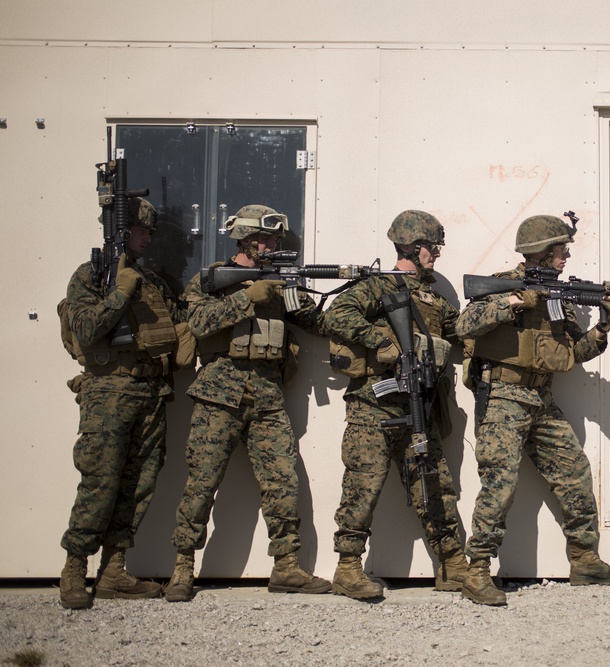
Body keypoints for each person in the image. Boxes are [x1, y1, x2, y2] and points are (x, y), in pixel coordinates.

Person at [456, 213, 610, 606]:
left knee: (574, 472)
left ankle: (585, 560)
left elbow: (574, 353)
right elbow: (464, 325)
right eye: (560, 250)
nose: (567, 256)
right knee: (500, 483)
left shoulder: (559, 298)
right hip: (502, 398)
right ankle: (477, 570)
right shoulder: (503, 284)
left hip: (541, 401)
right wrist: (516, 301)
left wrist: (603, 327)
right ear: (541, 251)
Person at [164, 205, 331, 601]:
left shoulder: (280, 280)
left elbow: (313, 322)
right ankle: (182, 567)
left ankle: (287, 567)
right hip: (219, 394)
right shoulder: (211, 278)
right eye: (264, 238)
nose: (271, 244)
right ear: (243, 238)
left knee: (283, 482)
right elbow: (199, 324)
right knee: (202, 484)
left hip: (268, 396)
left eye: (275, 239)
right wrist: (247, 298)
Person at [323, 210, 468, 599]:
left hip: (419, 406)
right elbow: (337, 315)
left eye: (437, 246)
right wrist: (381, 342)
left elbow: (462, 332)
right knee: (362, 486)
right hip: (374, 405)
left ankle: (453, 565)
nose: (436, 253)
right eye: (431, 246)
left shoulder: (434, 297)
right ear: (411, 246)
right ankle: (347, 568)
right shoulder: (378, 286)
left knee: (435, 484)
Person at [58, 197, 190, 610]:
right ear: (120, 230)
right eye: (141, 229)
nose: (148, 236)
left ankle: (114, 570)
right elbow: (84, 328)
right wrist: (118, 294)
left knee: (139, 482)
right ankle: (74, 568)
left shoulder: (152, 280)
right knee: (99, 480)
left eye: (151, 230)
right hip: (108, 393)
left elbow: (176, 321)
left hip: (151, 393)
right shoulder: (91, 276)